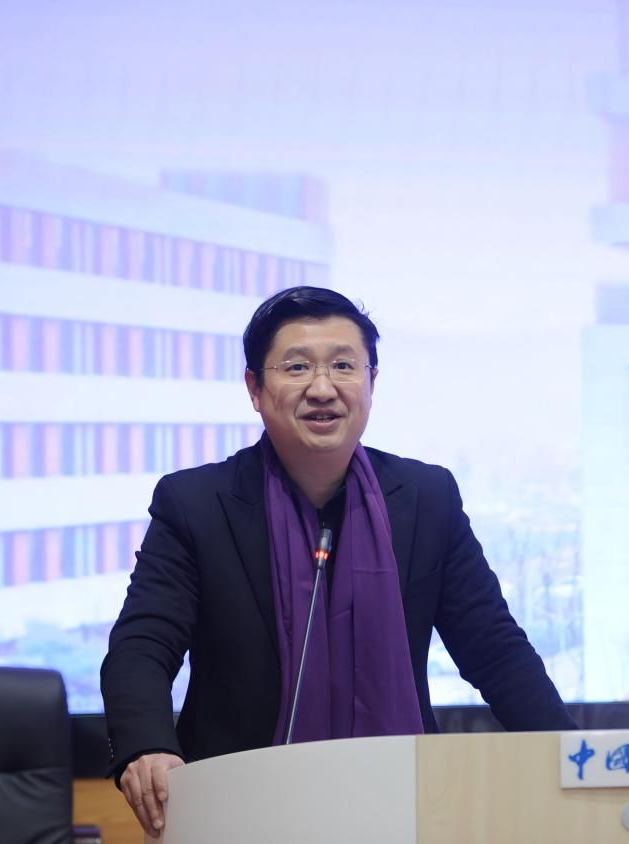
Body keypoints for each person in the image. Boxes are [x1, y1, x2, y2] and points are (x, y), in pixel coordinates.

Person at [101, 287, 575, 838]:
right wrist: (147, 745)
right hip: (237, 807)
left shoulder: (426, 498)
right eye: (297, 367)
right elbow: (143, 644)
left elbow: (494, 648)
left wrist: (572, 760)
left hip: (400, 804)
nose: (323, 388)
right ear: (254, 388)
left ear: (372, 383)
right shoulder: (197, 504)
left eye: (344, 366)